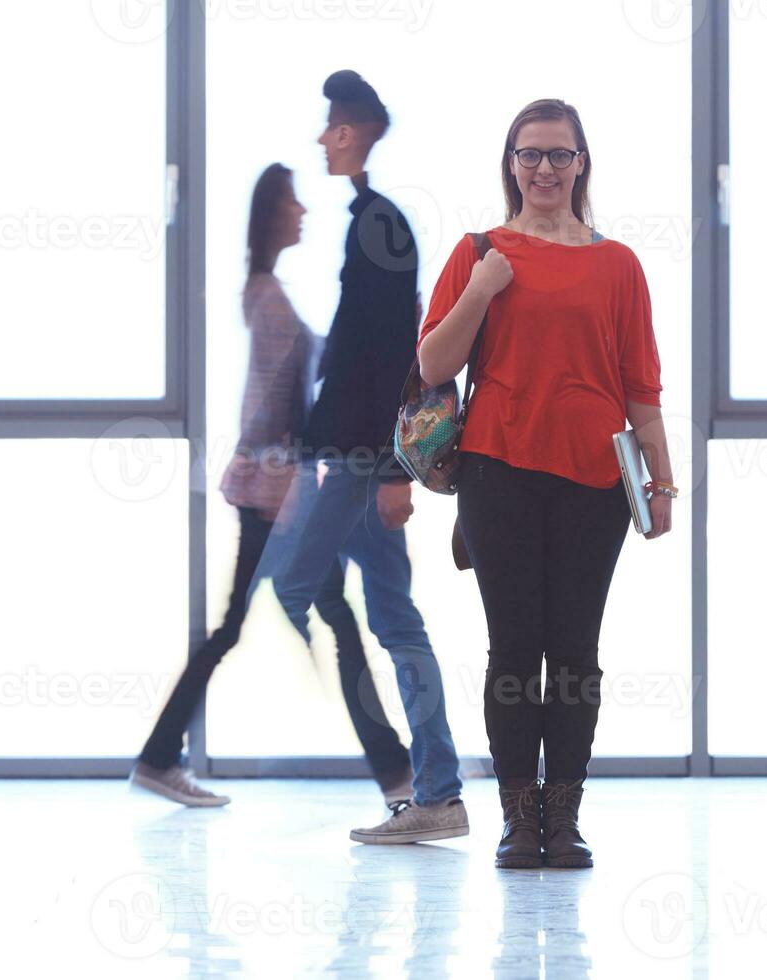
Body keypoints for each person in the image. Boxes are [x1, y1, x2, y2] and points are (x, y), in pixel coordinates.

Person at [416, 98, 673, 869]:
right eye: (529, 155)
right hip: (496, 473)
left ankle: (563, 815)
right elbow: (432, 366)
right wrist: (482, 289)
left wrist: (661, 485)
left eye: (558, 155)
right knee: (512, 650)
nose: (543, 169)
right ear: (509, 164)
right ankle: (515, 819)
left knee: (574, 652)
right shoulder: (480, 252)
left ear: (581, 163)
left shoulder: (618, 263)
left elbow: (641, 390)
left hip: (595, 480)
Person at [130, 163, 413, 807]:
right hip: (275, 494)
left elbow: (302, 381)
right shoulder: (269, 300)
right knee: (326, 621)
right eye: (293, 204)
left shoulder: (266, 294)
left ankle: (157, 756)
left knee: (256, 625)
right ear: (270, 216)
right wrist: (284, 468)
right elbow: (265, 407)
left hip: (276, 488)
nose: (304, 213)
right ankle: (398, 775)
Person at [257, 69, 467, 844]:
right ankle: (427, 787)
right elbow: (355, 353)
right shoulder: (369, 220)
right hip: (347, 454)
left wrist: (387, 472)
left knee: (297, 582)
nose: (321, 138)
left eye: (331, 126)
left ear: (356, 131)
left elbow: (385, 353)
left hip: (361, 459)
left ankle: (419, 779)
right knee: (389, 615)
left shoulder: (379, 223)